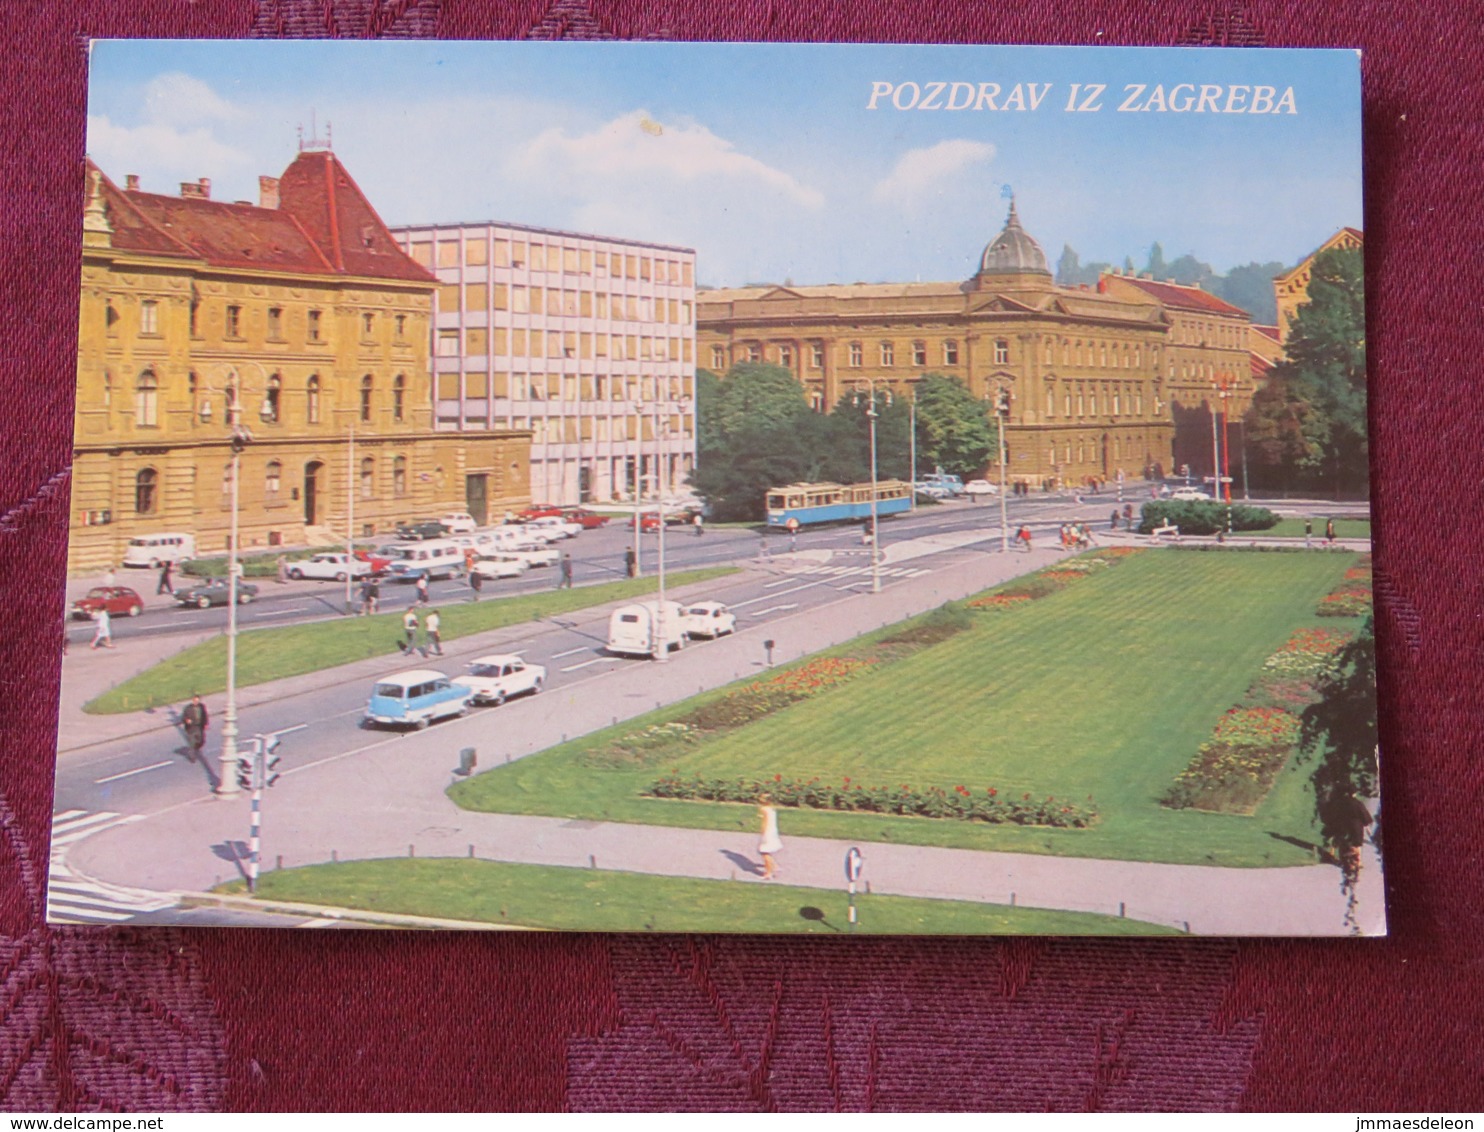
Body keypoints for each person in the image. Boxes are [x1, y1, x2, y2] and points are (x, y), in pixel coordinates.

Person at [757, 794, 782, 881]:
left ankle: (768, 873)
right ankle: (774, 866)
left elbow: (765, 822)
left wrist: (762, 832)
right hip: (773, 831)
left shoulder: (763, 809)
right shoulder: (772, 808)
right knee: (768, 851)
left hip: (767, 832)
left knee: (765, 852)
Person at [181, 694, 208, 764]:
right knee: (192, 742)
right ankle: (192, 756)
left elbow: (205, 715)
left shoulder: (202, 707)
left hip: (199, 727)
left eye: (197, 701)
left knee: (201, 741)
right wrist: (187, 721)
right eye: (195, 701)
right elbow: (183, 718)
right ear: (192, 701)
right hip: (191, 728)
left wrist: (206, 724)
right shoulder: (188, 708)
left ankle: (196, 747)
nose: (196, 702)